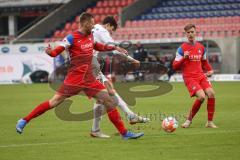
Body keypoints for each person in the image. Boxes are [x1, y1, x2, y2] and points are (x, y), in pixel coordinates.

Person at [16, 12, 144, 140]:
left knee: (109, 101)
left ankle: (124, 133)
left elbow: (98, 46)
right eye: (92, 24)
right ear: (86, 23)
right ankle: (24, 120)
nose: (93, 26)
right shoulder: (71, 38)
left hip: (89, 79)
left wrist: (115, 47)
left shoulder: (90, 36)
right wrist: (50, 52)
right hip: (75, 79)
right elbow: (56, 52)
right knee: (54, 102)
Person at [90, 16, 150, 138]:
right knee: (105, 96)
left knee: (105, 94)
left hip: (90, 65)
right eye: (112, 29)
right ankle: (129, 118)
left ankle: (96, 129)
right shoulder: (103, 30)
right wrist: (132, 59)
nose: (111, 32)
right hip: (89, 66)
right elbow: (115, 49)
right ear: (109, 25)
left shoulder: (94, 27)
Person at [172, 24, 217, 128]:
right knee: (201, 96)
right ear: (186, 34)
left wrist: (210, 70)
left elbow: (204, 62)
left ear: (196, 32)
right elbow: (174, 66)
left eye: (192, 32)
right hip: (190, 78)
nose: (190, 34)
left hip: (201, 76)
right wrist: (184, 58)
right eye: (188, 32)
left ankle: (209, 122)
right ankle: (188, 120)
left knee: (211, 93)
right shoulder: (181, 49)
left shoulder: (201, 47)